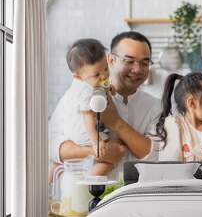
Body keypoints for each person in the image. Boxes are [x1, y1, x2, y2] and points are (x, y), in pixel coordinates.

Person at [49, 31, 162, 179]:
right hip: (83, 194)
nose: (137, 69)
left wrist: (116, 122)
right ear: (111, 59)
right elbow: (50, 146)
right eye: (129, 61)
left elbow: (156, 156)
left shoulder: (155, 107)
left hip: (134, 196)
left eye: (145, 62)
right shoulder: (76, 96)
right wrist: (95, 151)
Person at [54, 38, 125, 177]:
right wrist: (96, 142)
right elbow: (88, 117)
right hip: (86, 133)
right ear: (78, 76)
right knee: (112, 156)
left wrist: (108, 87)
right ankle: (91, 180)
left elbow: (101, 84)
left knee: (65, 162)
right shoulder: (85, 91)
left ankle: (54, 172)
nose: (104, 75)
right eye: (97, 74)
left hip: (78, 131)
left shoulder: (91, 80)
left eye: (105, 68)